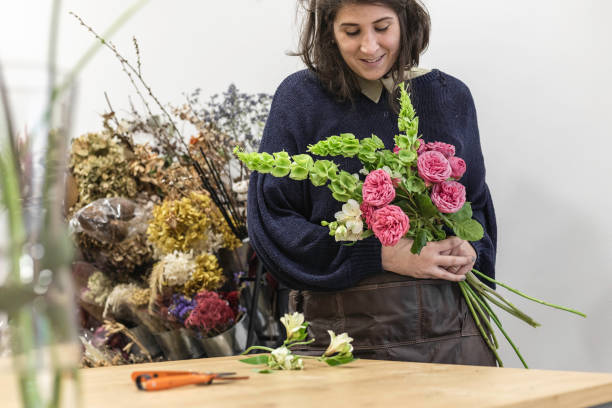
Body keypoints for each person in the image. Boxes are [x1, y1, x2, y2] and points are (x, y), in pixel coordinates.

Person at [247, 0, 497, 365]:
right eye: (352, 31)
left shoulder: (449, 96)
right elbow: (272, 226)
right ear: (328, 31)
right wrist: (379, 255)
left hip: (455, 338)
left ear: (406, 21)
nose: (369, 46)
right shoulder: (301, 99)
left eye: (382, 28)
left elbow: (476, 208)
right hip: (344, 343)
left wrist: (471, 252)